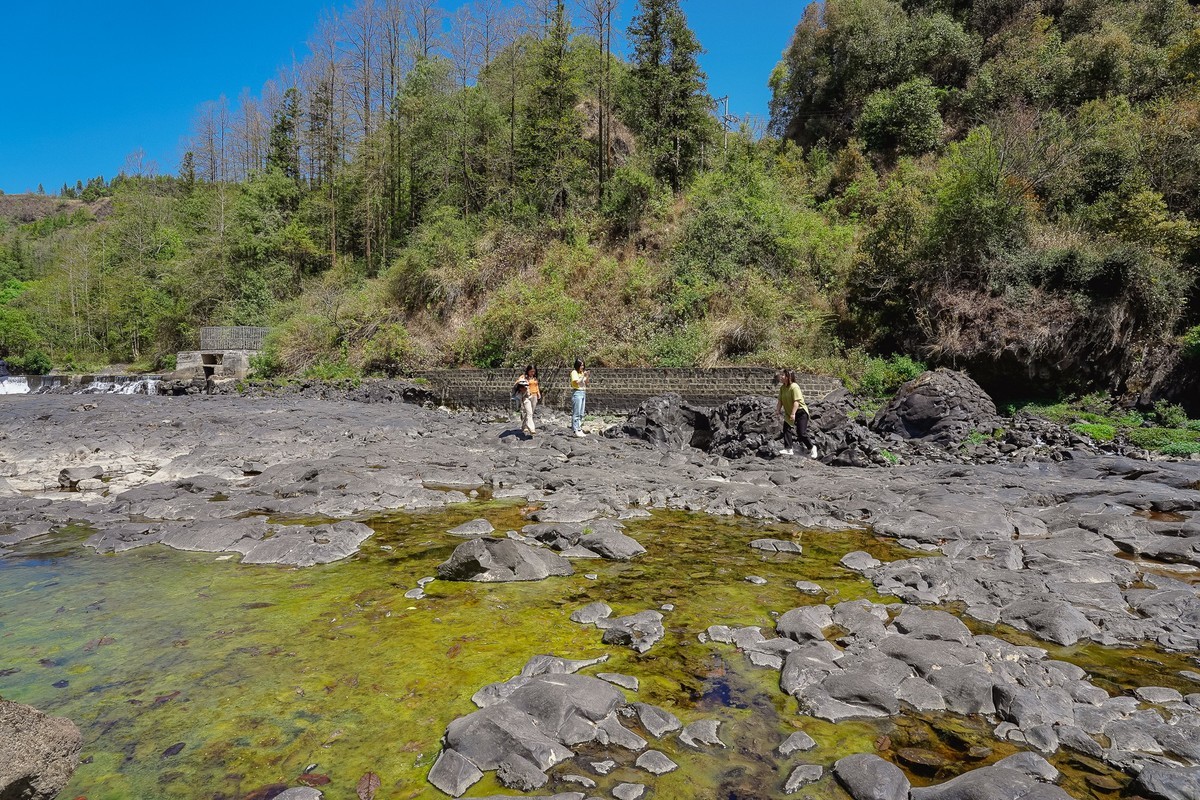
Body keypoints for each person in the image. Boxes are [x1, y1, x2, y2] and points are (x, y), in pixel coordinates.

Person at [776, 369, 818, 458]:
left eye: (783, 375)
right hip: (789, 412)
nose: (781, 377)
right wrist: (778, 410)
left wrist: (793, 414)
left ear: (788, 377)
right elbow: (780, 401)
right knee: (786, 428)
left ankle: (812, 447)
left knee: (801, 433)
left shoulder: (794, 387)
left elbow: (796, 401)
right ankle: (788, 449)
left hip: (800, 412)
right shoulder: (782, 388)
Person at [569, 359, 589, 437]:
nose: (582, 367)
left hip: (583, 392)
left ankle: (579, 428)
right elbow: (577, 382)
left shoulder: (581, 373)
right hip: (577, 392)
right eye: (581, 365)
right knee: (576, 412)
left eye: (583, 365)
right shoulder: (574, 372)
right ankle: (575, 430)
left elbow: (586, 383)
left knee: (581, 413)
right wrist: (583, 375)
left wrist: (587, 376)